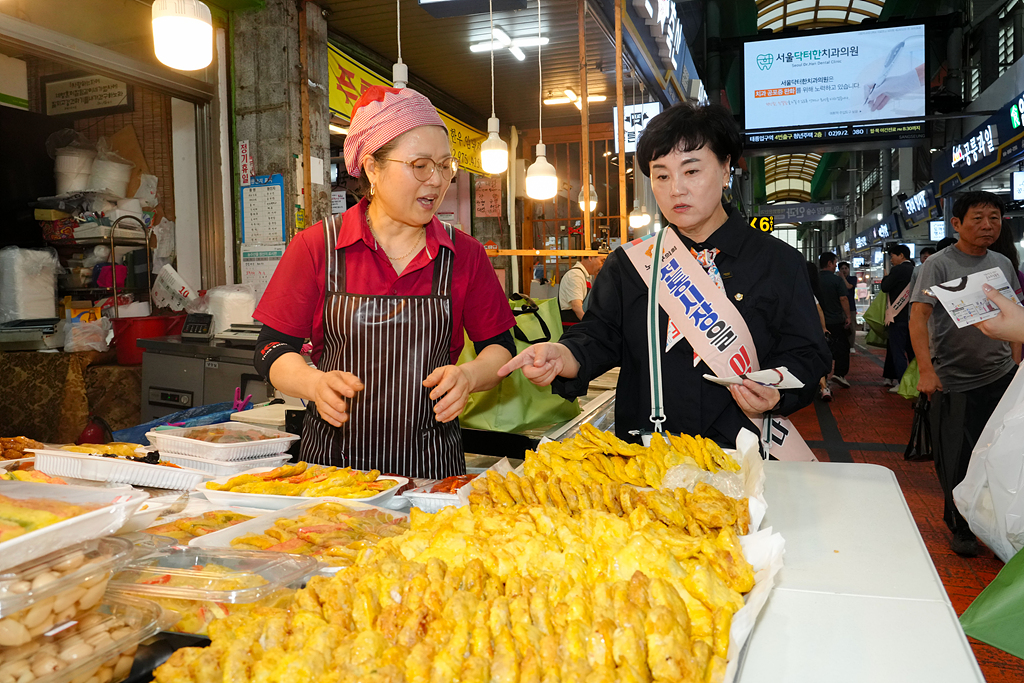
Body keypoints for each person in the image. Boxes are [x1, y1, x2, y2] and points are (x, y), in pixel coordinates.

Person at [497, 101, 830, 449]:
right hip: (647, 461)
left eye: (691, 171)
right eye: (661, 175)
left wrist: (775, 391)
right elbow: (598, 337)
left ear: (726, 167)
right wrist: (562, 356)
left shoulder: (779, 262)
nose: (675, 190)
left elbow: (807, 354)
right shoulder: (630, 264)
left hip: (743, 458)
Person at [251, 85, 515, 478]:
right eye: (420, 165)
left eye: (445, 166)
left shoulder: (465, 254)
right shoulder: (317, 246)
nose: (436, 180)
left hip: (431, 473)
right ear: (373, 167)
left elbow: (500, 348)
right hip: (333, 474)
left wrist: (468, 376)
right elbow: (270, 347)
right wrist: (311, 382)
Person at [910, 191, 1023, 556]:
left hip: (1001, 374)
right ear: (956, 223)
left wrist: (1016, 360)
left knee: (999, 453)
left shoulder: (1003, 262)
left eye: (994, 217)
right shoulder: (938, 264)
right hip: (955, 378)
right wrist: (926, 372)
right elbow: (918, 319)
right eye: (978, 218)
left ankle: (992, 521)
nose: (987, 225)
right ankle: (961, 527)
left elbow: (1014, 313)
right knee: (957, 456)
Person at [880, 244, 915, 392]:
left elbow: (885, 287)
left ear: (901, 255)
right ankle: (914, 382)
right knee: (912, 352)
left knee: (898, 351)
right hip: (913, 317)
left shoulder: (898, 270)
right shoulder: (916, 270)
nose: (892, 260)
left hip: (897, 317)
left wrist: (886, 277)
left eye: (892, 256)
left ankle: (902, 383)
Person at [819, 252, 853, 389]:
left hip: (818, 322)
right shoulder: (837, 280)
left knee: (821, 349)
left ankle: (821, 378)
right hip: (835, 320)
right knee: (842, 348)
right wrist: (848, 317)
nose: (835, 267)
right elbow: (843, 298)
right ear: (829, 263)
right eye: (835, 263)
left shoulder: (813, 279)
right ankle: (839, 373)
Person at [558, 240, 608, 323]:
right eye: (602, 261)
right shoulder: (575, 275)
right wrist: (589, 325)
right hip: (572, 328)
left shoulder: (587, 276)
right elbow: (576, 307)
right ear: (590, 257)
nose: (603, 266)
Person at [807, 262, 833, 402]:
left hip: (800, 331)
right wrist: (823, 328)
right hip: (814, 330)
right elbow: (819, 310)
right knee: (817, 358)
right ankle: (824, 388)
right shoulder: (811, 291)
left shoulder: (797, 288)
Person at [838, 260, 857, 352]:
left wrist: (843, 278)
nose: (844, 270)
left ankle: (851, 346)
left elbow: (849, 287)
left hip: (851, 307)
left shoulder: (853, 278)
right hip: (839, 306)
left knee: (852, 326)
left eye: (846, 268)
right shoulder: (836, 279)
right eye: (842, 269)